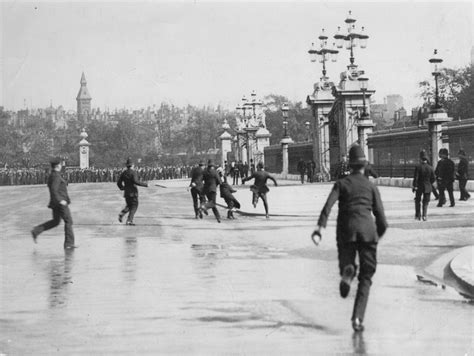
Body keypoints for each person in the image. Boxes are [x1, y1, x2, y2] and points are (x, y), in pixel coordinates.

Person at [311, 145, 388, 332]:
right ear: (364, 166)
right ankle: (357, 319)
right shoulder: (371, 187)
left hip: (346, 230)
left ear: (350, 166)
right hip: (367, 231)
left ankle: (348, 271)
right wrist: (376, 236)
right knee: (366, 277)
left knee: (347, 262)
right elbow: (382, 220)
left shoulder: (341, 184)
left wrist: (320, 227)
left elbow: (328, 206)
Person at [31, 157, 76, 249]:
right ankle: (69, 243)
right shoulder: (56, 176)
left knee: (55, 221)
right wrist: (60, 200)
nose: (62, 165)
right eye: (61, 164)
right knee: (68, 221)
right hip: (60, 203)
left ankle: (36, 231)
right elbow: (54, 189)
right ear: (58, 165)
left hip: (56, 203)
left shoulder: (54, 175)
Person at [117, 158, 148, 225]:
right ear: (132, 165)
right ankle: (129, 220)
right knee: (134, 206)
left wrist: (122, 188)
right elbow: (135, 181)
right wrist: (145, 184)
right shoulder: (133, 172)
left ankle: (122, 213)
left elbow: (118, 182)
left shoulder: (124, 173)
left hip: (126, 193)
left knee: (129, 205)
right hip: (133, 192)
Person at [412, 150, 435, 221]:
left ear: (420, 158)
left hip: (419, 186)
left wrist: (415, 186)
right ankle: (424, 216)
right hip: (428, 187)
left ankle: (418, 215)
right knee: (425, 202)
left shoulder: (418, 167)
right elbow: (433, 178)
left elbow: (416, 177)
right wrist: (429, 183)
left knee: (417, 200)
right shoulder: (430, 168)